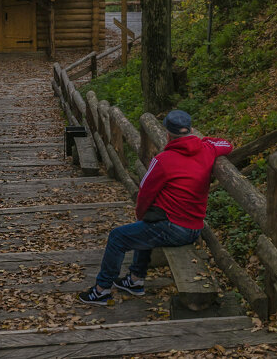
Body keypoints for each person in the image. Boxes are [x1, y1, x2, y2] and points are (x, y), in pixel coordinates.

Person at [78, 109, 233, 305]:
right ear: (191, 130)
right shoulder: (207, 150)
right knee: (149, 223)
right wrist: (203, 142)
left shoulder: (163, 160)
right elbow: (227, 144)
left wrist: (140, 215)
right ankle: (135, 279)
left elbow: (145, 191)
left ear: (167, 134)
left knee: (118, 236)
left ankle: (101, 290)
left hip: (175, 227)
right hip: (194, 226)